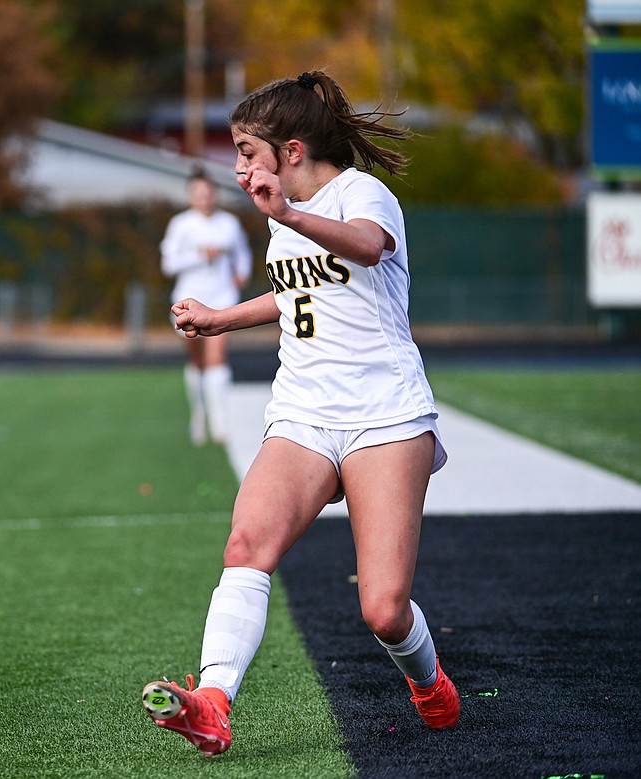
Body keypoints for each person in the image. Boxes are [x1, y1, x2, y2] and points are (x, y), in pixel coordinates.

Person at [141, 70, 459, 756]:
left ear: (289, 151)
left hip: (384, 417)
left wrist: (285, 213)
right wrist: (222, 318)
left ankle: (430, 681)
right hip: (304, 412)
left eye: (247, 151)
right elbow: (296, 296)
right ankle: (213, 701)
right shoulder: (286, 219)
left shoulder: (359, 193)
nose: (238, 166)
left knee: (382, 609)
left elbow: (367, 246)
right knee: (245, 545)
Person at [160, 169, 253, 445]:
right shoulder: (180, 224)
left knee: (216, 358)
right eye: (199, 193)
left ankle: (219, 419)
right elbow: (169, 264)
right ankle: (198, 413)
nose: (205, 198)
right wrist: (201, 255)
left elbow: (242, 253)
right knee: (197, 361)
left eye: (209, 192)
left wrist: (241, 273)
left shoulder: (229, 223)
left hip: (221, 299)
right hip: (187, 301)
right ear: (191, 196)